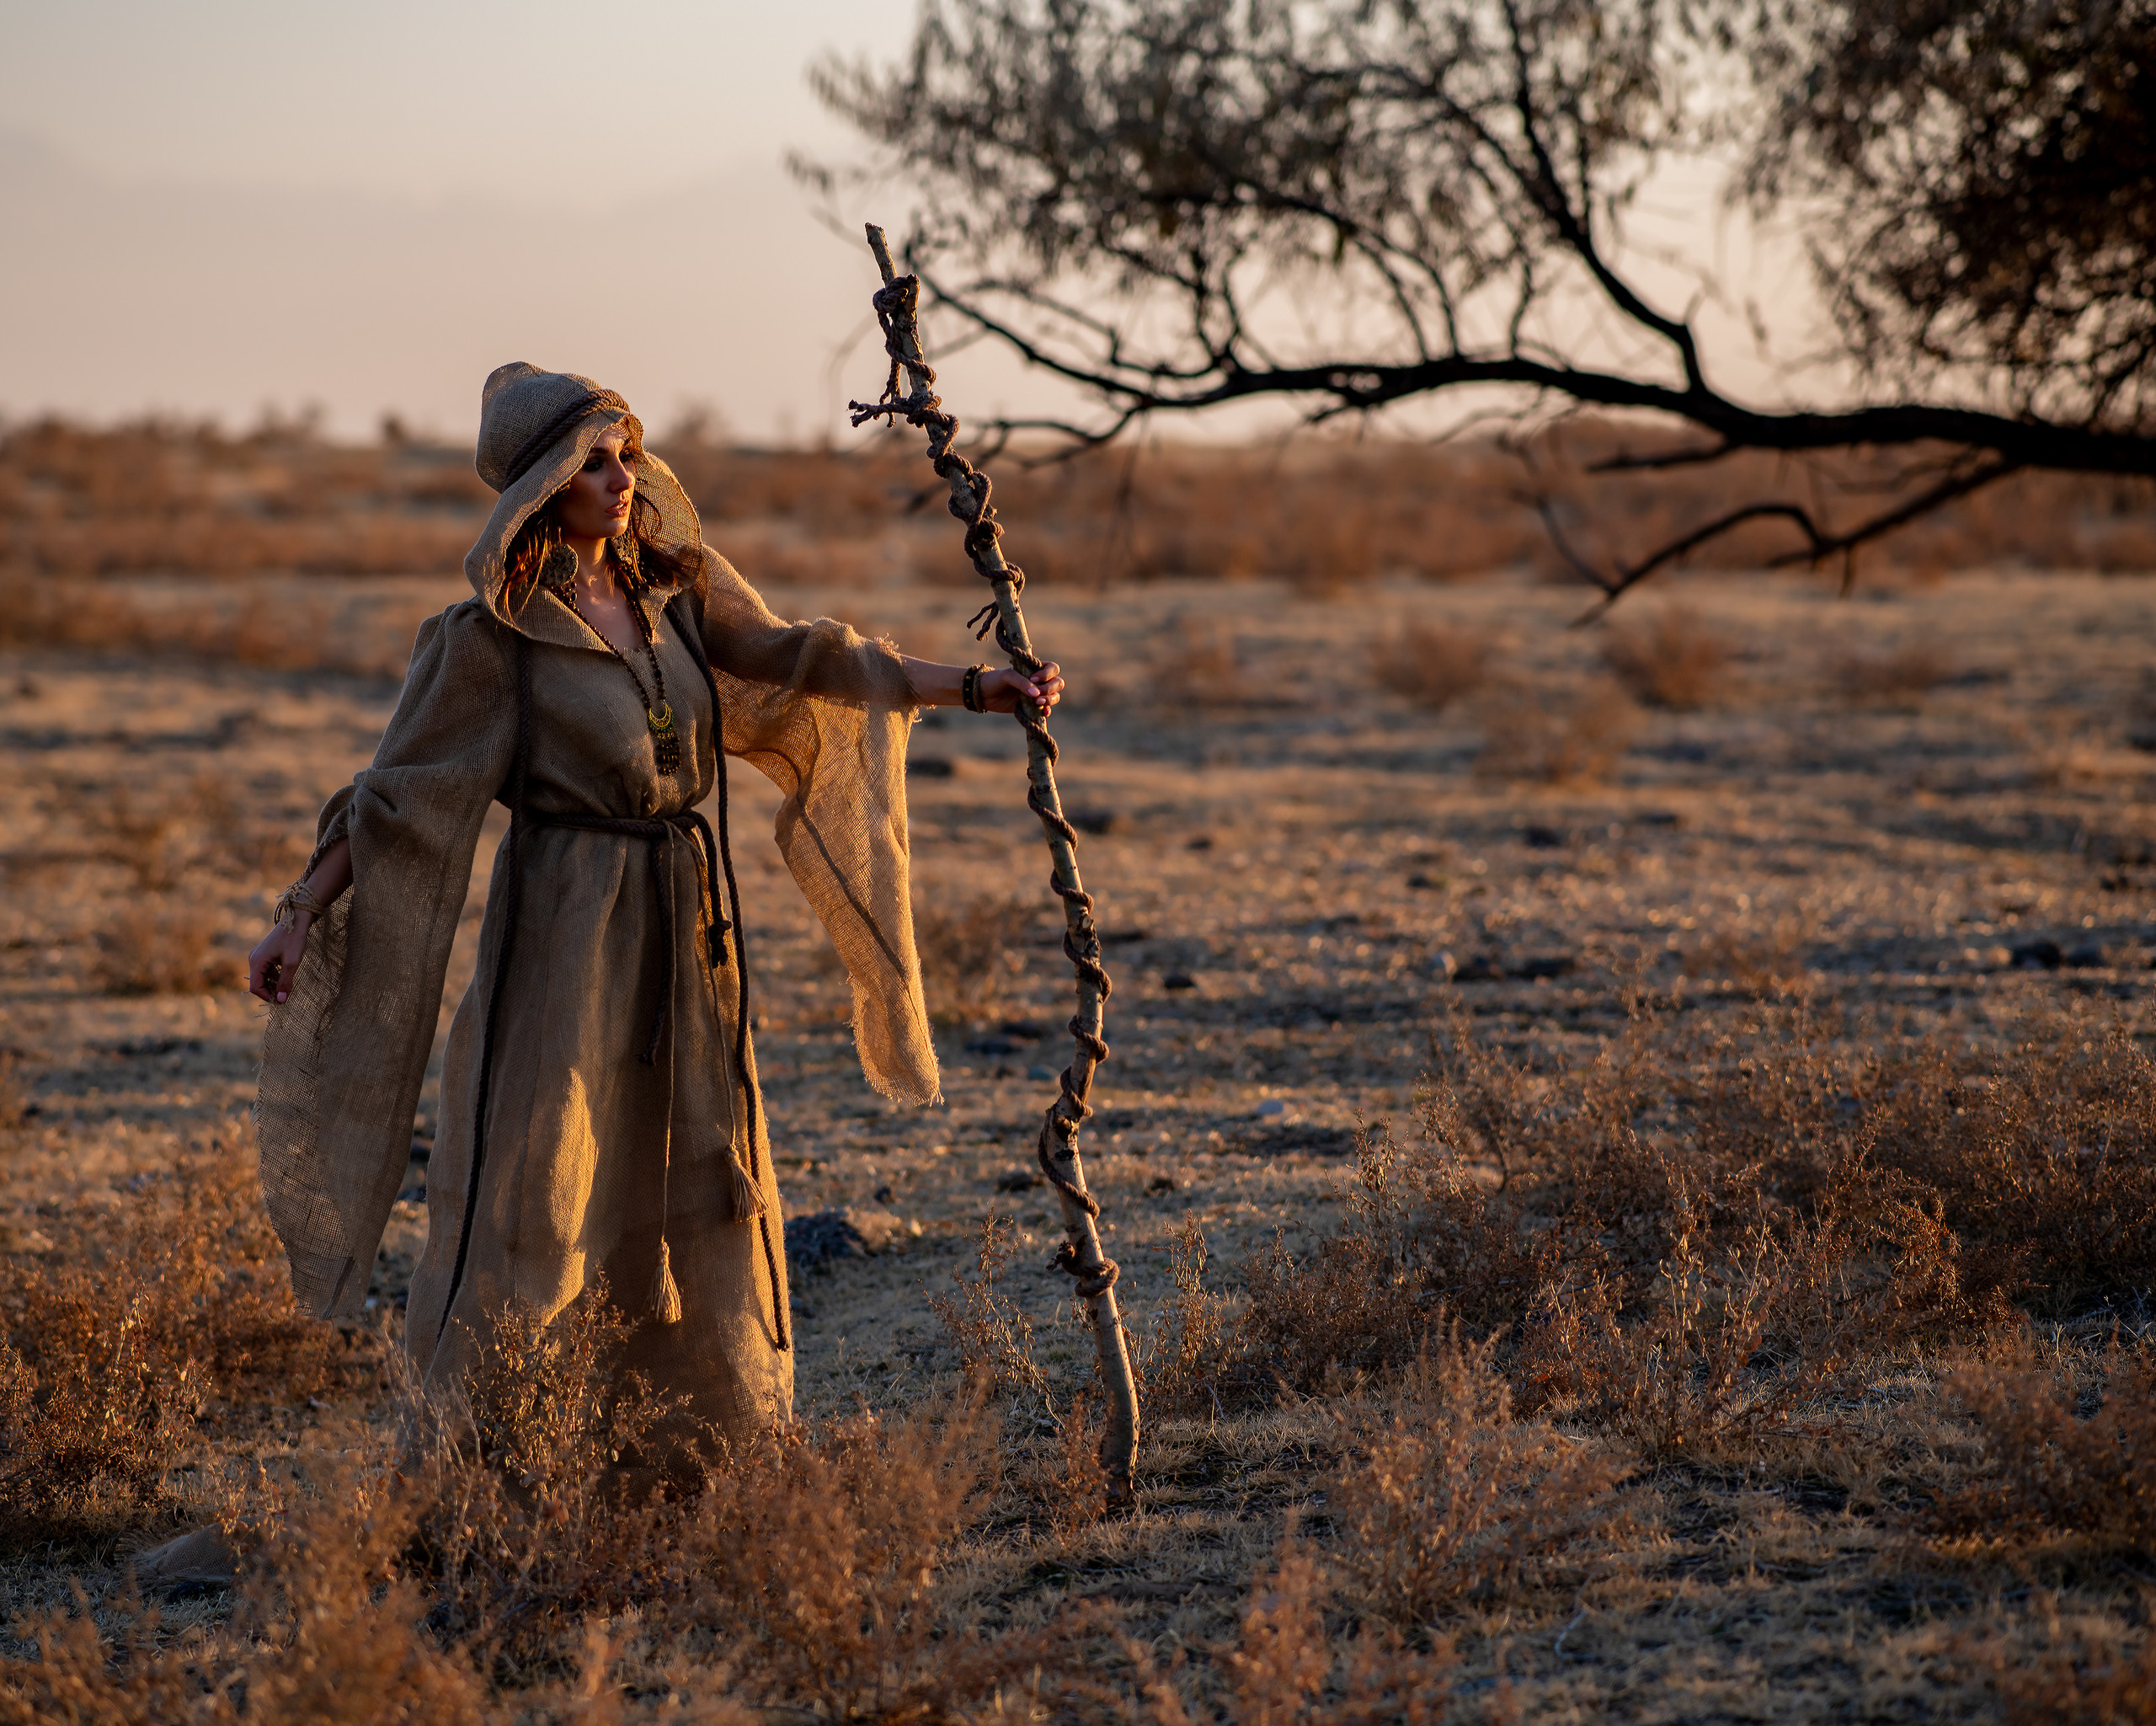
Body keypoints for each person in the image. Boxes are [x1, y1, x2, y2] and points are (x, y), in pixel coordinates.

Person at [244, 362, 1062, 1442]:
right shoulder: (489, 641)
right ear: (542, 486)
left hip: (686, 918)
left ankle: (698, 1441)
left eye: (626, 454)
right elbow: (397, 801)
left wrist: (971, 687)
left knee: (700, 1153)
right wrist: (301, 912)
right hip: (564, 928)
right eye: (593, 462)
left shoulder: (674, 593)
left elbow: (798, 657)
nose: (621, 478)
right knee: (546, 1169)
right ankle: (497, 1446)